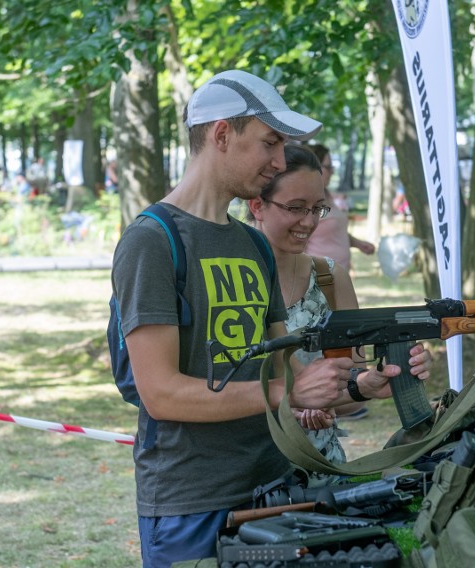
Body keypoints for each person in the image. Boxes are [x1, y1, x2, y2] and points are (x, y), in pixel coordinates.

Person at [110, 70, 431, 567]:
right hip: (191, 503)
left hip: (277, 488)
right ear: (221, 134)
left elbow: (290, 380)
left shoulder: (253, 243)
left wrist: (360, 387)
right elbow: (161, 392)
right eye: (270, 142)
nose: (280, 161)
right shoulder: (152, 240)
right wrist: (289, 394)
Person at [247, 145, 405, 484]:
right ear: (257, 205)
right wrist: (292, 403)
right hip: (251, 478)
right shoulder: (234, 284)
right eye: (295, 208)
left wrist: (369, 385)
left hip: (322, 473)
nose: (309, 222)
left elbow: (347, 394)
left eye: (318, 208)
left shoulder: (331, 280)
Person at [303, 143, 375, 270]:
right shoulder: (308, 200)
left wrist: (358, 244)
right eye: (328, 167)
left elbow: (333, 233)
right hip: (320, 277)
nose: (332, 171)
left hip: (339, 276)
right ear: (314, 167)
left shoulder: (327, 195)